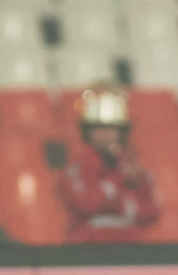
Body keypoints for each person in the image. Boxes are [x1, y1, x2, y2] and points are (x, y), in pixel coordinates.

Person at [57, 83, 160, 243]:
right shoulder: (78, 168)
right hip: (89, 248)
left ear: (121, 132)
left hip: (130, 247)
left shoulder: (134, 167)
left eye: (112, 129)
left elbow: (152, 211)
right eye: (99, 129)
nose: (106, 134)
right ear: (88, 132)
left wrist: (116, 203)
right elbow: (85, 204)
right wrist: (117, 181)